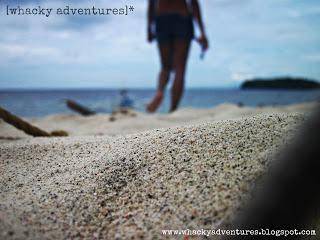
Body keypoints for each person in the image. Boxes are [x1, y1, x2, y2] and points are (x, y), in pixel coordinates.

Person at [146, 0, 209, 113]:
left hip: (162, 17)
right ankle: (173, 109)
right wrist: (202, 32)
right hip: (182, 16)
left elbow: (151, 3)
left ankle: (160, 91)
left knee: (165, 66)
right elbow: (194, 3)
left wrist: (149, 27)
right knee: (180, 69)